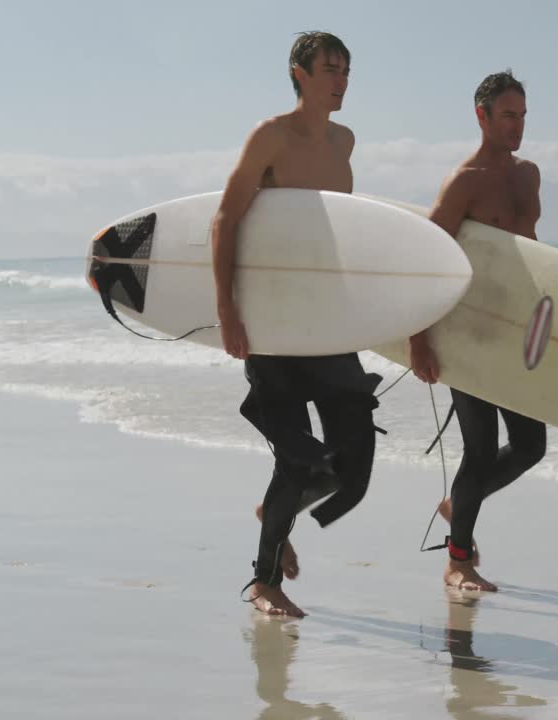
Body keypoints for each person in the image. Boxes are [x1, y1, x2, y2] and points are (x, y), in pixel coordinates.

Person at [213, 31, 381, 619]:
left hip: (327, 319)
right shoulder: (271, 138)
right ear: (299, 73)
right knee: (300, 457)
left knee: (354, 468)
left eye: (347, 70)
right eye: (330, 69)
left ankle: (277, 512)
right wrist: (228, 311)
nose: (341, 79)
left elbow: (336, 233)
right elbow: (224, 222)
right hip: (275, 320)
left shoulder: (346, 141)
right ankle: (264, 582)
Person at [408, 70, 547, 592]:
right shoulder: (464, 181)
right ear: (482, 116)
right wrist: (418, 340)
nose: (518, 126)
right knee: (481, 451)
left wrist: (546, 317)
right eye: (508, 116)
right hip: (467, 330)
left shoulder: (529, 175)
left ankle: (458, 505)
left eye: (523, 116)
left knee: (531, 445)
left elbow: (532, 251)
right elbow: (427, 256)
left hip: (514, 327)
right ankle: (458, 561)